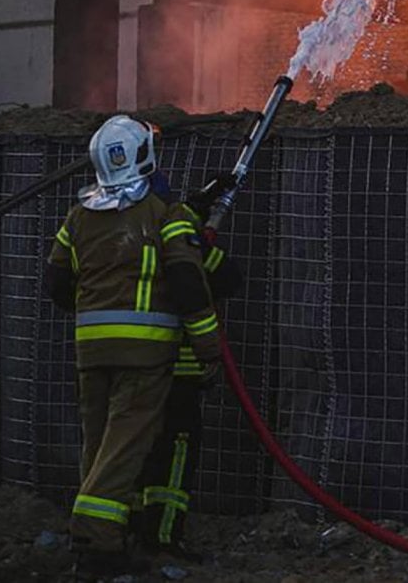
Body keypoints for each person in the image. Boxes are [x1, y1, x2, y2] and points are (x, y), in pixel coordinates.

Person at [43, 116, 223, 579]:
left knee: (99, 445)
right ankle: (96, 539)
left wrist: (99, 306)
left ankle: (108, 533)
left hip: (91, 352)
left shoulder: (78, 217)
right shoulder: (164, 215)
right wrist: (208, 346)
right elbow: (188, 283)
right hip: (144, 356)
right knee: (124, 446)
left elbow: (56, 283)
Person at [133, 173, 241, 561]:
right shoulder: (178, 238)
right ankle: (163, 538)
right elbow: (224, 278)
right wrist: (198, 237)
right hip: (177, 368)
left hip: (128, 367)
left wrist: (195, 214)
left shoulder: (113, 233)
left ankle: (127, 532)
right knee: (175, 451)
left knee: (130, 449)